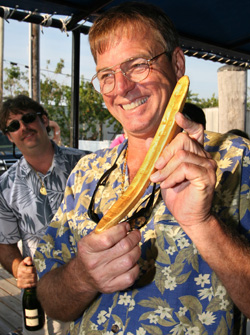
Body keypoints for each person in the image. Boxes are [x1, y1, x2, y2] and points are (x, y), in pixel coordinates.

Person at [34, 2, 250, 335]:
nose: (121, 87)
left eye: (137, 65)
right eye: (107, 75)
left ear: (177, 63)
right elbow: (50, 299)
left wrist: (203, 224)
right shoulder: (85, 173)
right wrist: (82, 277)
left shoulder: (236, 159)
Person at [0, 95, 90, 335]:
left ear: (44, 120)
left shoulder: (88, 164)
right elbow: (5, 244)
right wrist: (19, 269)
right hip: (45, 295)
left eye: (28, 118)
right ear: (9, 136)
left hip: (96, 286)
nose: (23, 127)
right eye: (13, 125)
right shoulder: (5, 186)